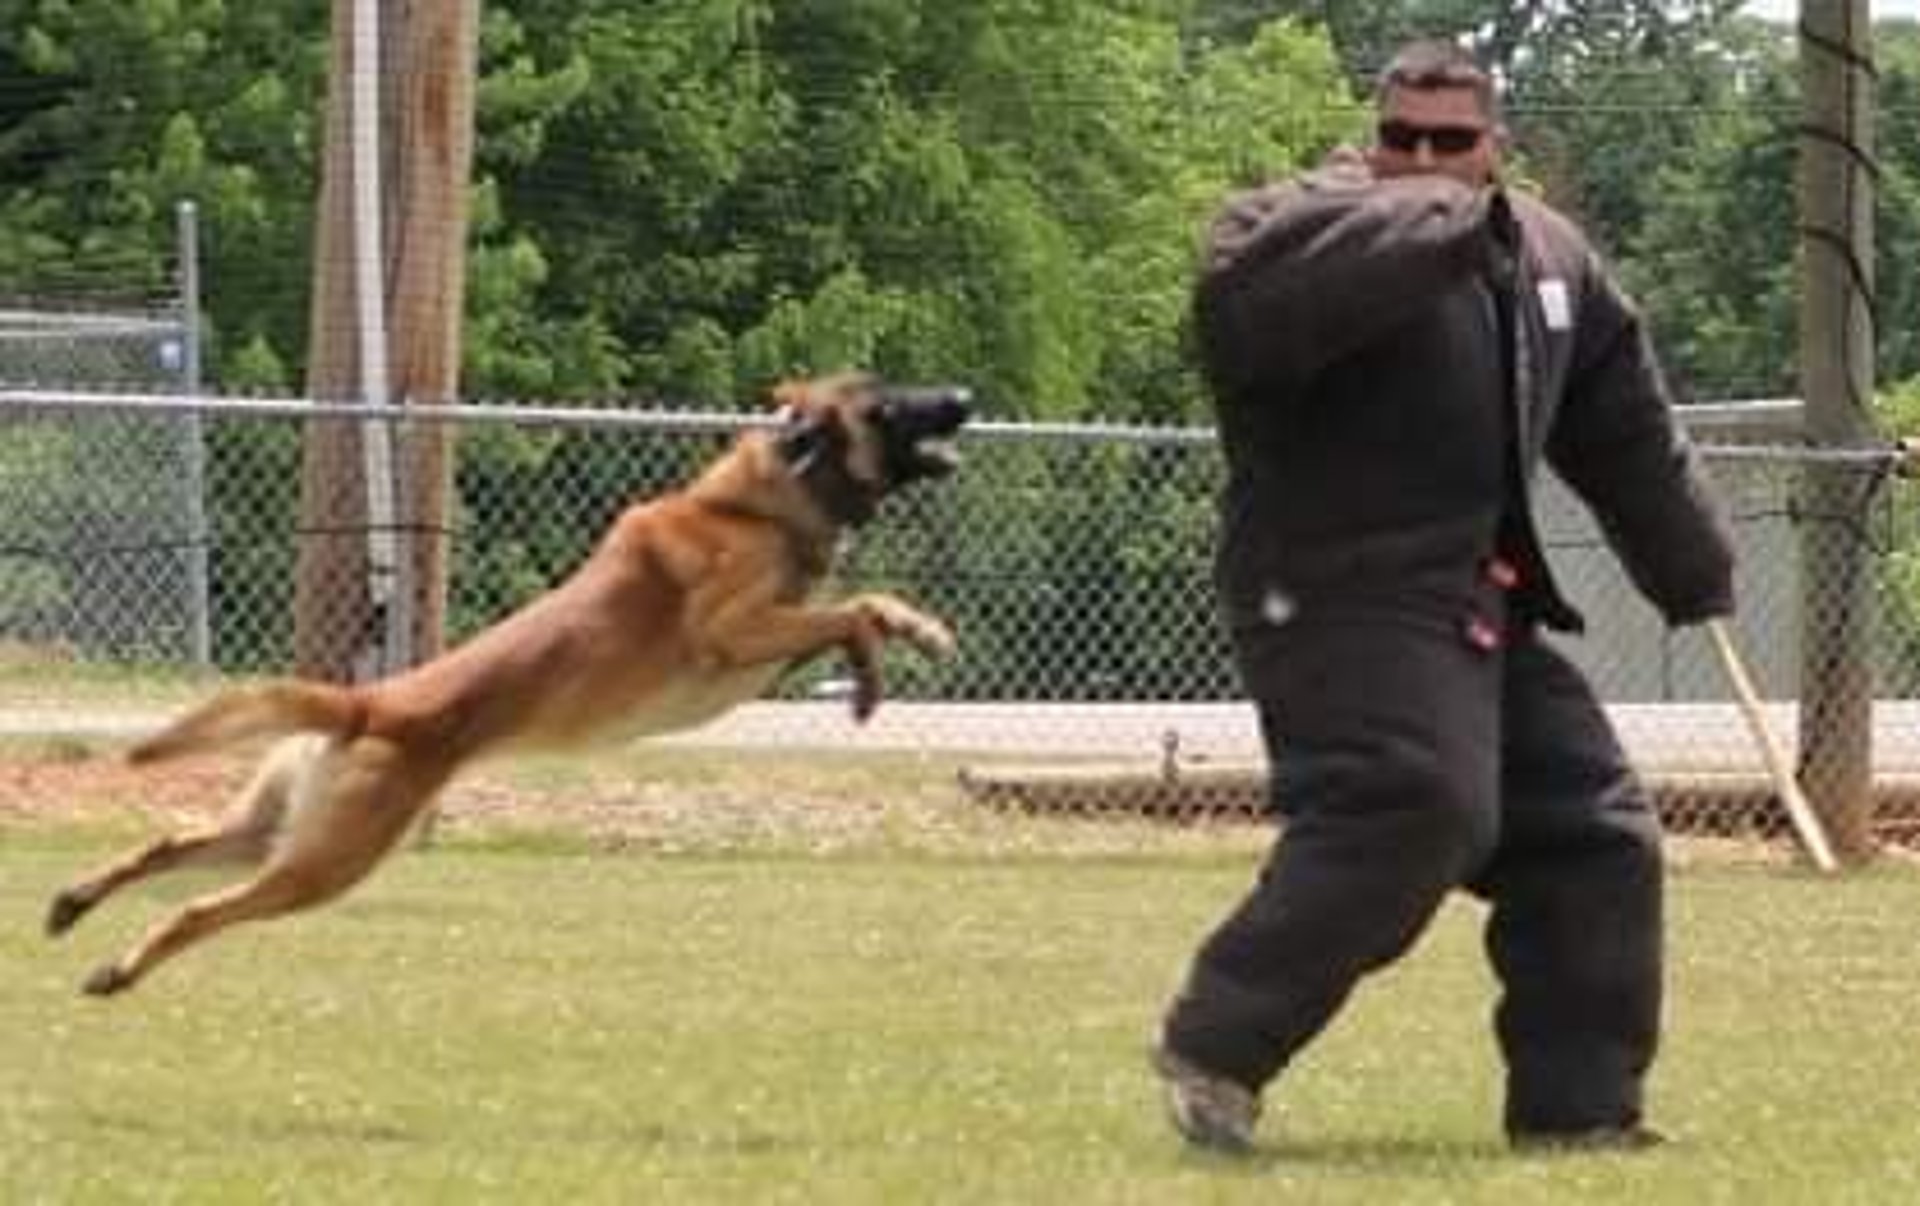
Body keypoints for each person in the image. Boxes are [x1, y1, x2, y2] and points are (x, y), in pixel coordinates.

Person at [1151, 39, 1736, 1154]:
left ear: (1493, 146)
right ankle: (1216, 1043)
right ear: (1374, 137)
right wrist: (1452, 222)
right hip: (1330, 590)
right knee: (1416, 800)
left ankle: (1581, 1114)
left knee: (1594, 832)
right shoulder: (1289, 230)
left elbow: (1625, 428)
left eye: (1449, 142)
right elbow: (1257, 301)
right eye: (1400, 138)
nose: (1420, 158)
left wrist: (1691, 564)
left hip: (1473, 599)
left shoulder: (1550, 263)